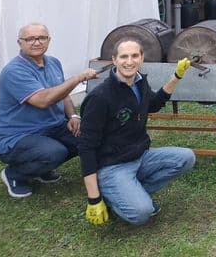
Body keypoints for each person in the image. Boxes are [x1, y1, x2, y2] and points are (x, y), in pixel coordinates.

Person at [78, 39, 196, 226]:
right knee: (141, 213)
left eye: (134, 56)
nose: (129, 61)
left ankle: (129, 191)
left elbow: (154, 105)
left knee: (186, 158)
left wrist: (177, 76)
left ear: (141, 58)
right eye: (124, 56)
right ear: (114, 60)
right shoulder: (100, 97)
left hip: (139, 156)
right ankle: (109, 196)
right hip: (112, 166)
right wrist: (93, 199)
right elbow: (86, 147)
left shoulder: (139, 82)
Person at [0, 23, 98, 199]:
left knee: (87, 137)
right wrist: (78, 77)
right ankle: (14, 175)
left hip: (52, 127)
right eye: (30, 39)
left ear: (49, 40)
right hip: (17, 137)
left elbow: (62, 93)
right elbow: (43, 100)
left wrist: (72, 115)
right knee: (54, 152)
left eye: (41, 37)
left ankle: (42, 167)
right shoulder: (14, 71)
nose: (36, 42)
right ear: (20, 43)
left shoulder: (53, 62)